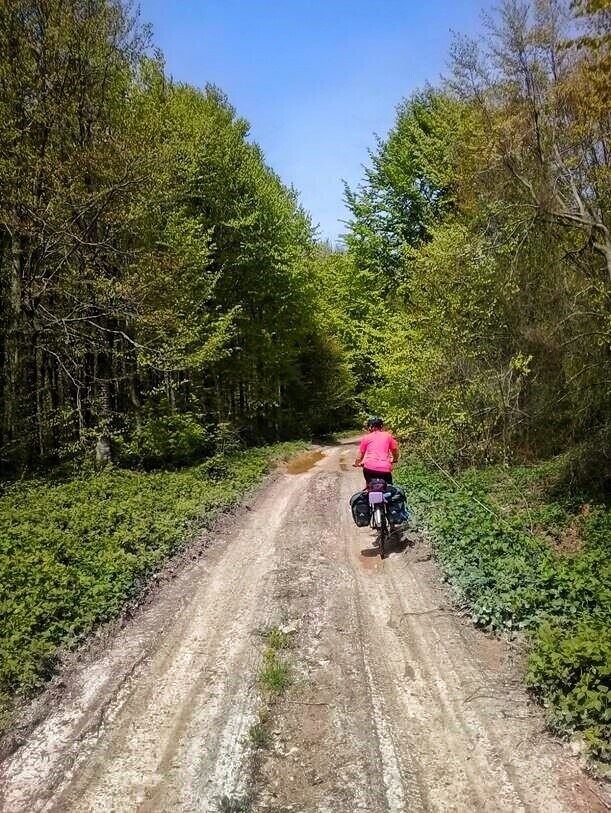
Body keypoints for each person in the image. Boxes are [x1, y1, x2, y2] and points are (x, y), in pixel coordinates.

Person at [353, 416, 399, 484]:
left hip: (369, 468)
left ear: (369, 427)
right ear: (381, 426)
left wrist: (357, 463)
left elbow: (360, 456)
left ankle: (368, 491)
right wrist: (395, 459)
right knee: (389, 488)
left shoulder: (366, 438)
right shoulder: (388, 436)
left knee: (369, 486)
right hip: (385, 468)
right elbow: (395, 450)